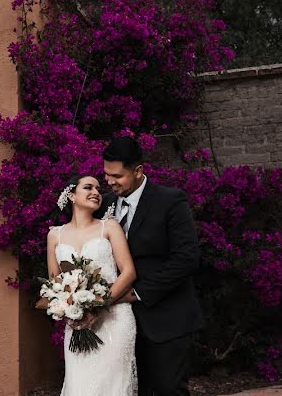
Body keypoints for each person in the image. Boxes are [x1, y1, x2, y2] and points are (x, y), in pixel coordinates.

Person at [100, 136, 204, 396]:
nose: (110, 181)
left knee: (169, 390)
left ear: (138, 171)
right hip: (121, 323)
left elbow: (186, 258)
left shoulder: (170, 200)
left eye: (117, 175)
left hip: (167, 318)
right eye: (106, 175)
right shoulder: (105, 204)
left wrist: (136, 293)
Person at [47, 174, 138, 396]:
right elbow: (54, 283)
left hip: (115, 321)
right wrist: (71, 311)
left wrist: (98, 304)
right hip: (78, 325)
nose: (96, 192)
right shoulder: (54, 235)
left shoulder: (109, 227)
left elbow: (128, 273)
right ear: (71, 196)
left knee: (113, 387)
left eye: (98, 188)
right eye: (88, 187)